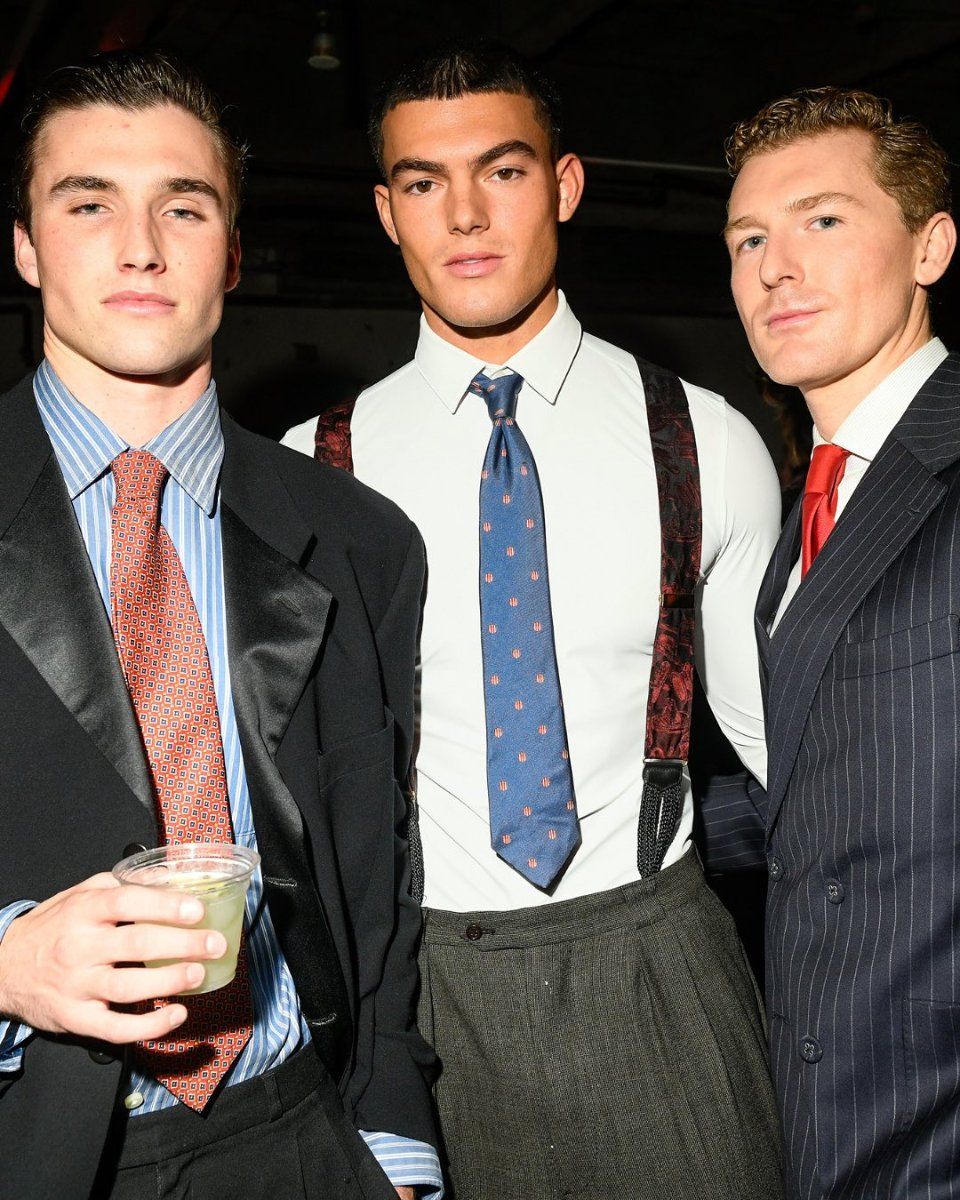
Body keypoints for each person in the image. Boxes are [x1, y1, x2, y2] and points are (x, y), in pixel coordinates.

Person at [284, 43, 784, 1200]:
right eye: (423, 182)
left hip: (662, 971)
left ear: (564, 185)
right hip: (421, 995)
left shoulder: (708, 441)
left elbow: (792, 767)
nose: (464, 214)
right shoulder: (311, 468)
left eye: (502, 172)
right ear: (386, 211)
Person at [0, 51, 441, 1200]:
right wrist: (3, 964)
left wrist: (391, 1140)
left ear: (233, 252)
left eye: (183, 207)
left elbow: (381, 875)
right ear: (25, 245)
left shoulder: (361, 539)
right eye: (88, 203)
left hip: (305, 1134)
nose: (140, 246)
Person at [705, 86, 959, 1195]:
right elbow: (833, 782)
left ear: (929, 248)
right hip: (827, 1096)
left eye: (822, 220)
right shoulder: (812, 503)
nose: (777, 267)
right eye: (749, 239)